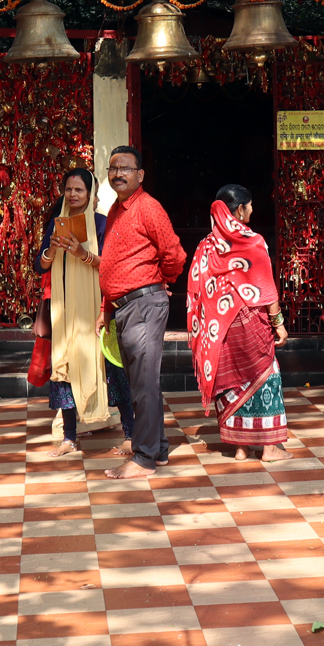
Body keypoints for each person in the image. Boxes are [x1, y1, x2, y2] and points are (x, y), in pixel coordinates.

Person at [99, 146, 186, 478]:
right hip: (123, 307)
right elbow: (111, 264)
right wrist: (105, 309)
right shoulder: (115, 210)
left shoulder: (149, 208)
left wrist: (160, 282)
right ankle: (158, 450)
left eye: (125, 168)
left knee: (144, 383)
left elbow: (174, 254)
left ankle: (144, 458)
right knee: (142, 382)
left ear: (140, 175)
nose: (117, 173)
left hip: (144, 304)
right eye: (112, 168)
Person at [32, 168, 131, 458]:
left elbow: (113, 266)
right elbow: (40, 266)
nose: (73, 195)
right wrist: (51, 249)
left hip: (98, 310)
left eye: (80, 190)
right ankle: (70, 438)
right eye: (69, 189)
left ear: (90, 195)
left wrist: (82, 253)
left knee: (112, 369)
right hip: (66, 313)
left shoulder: (102, 224)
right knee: (64, 370)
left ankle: (130, 433)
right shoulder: (55, 224)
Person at [188, 185, 291, 462]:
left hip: (220, 329)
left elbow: (199, 290)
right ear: (240, 209)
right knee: (266, 375)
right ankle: (269, 448)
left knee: (231, 382)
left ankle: (241, 448)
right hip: (251, 325)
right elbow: (266, 288)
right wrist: (278, 322)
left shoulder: (206, 245)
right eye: (250, 205)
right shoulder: (252, 240)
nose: (253, 210)